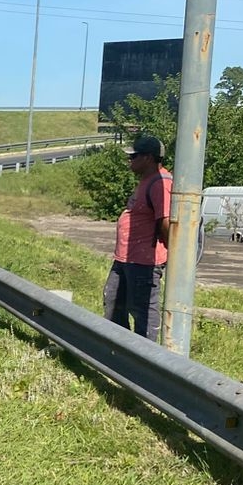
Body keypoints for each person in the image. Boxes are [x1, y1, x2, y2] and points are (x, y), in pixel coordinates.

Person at [105, 134, 173, 340]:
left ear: (148, 158)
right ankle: (120, 348)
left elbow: (166, 222)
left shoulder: (162, 183)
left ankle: (145, 356)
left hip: (144, 262)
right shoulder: (147, 180)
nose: (130, 160)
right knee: (113, 302)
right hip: (127, 258)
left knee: (142, 310)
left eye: (134, 156)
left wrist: (172, 254)